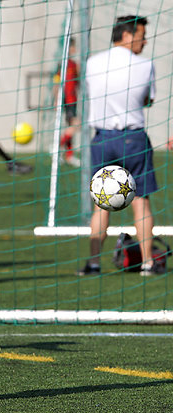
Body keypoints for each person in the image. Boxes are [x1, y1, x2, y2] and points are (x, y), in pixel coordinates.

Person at [78, 16, 158, 277]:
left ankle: (93, 263)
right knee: (142, 203)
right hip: (133, 139)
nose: (145, 41)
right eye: (142, 35)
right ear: (127, 35)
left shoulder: (92, 63)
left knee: (100, 204)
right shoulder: (145, 65)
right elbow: (147, 100)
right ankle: (147, 262)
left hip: (102, 140)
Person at [53, 38, 81, 167]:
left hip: (73, 100)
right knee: (75, 125)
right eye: (73, 47)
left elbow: (78, 82)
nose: (75, 49)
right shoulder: (62, 64)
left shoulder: (75, 64)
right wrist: (56, 99)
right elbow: (57, 83)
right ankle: (56, 148)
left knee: (71, 126)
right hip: (66, 101)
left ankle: (69, 156)